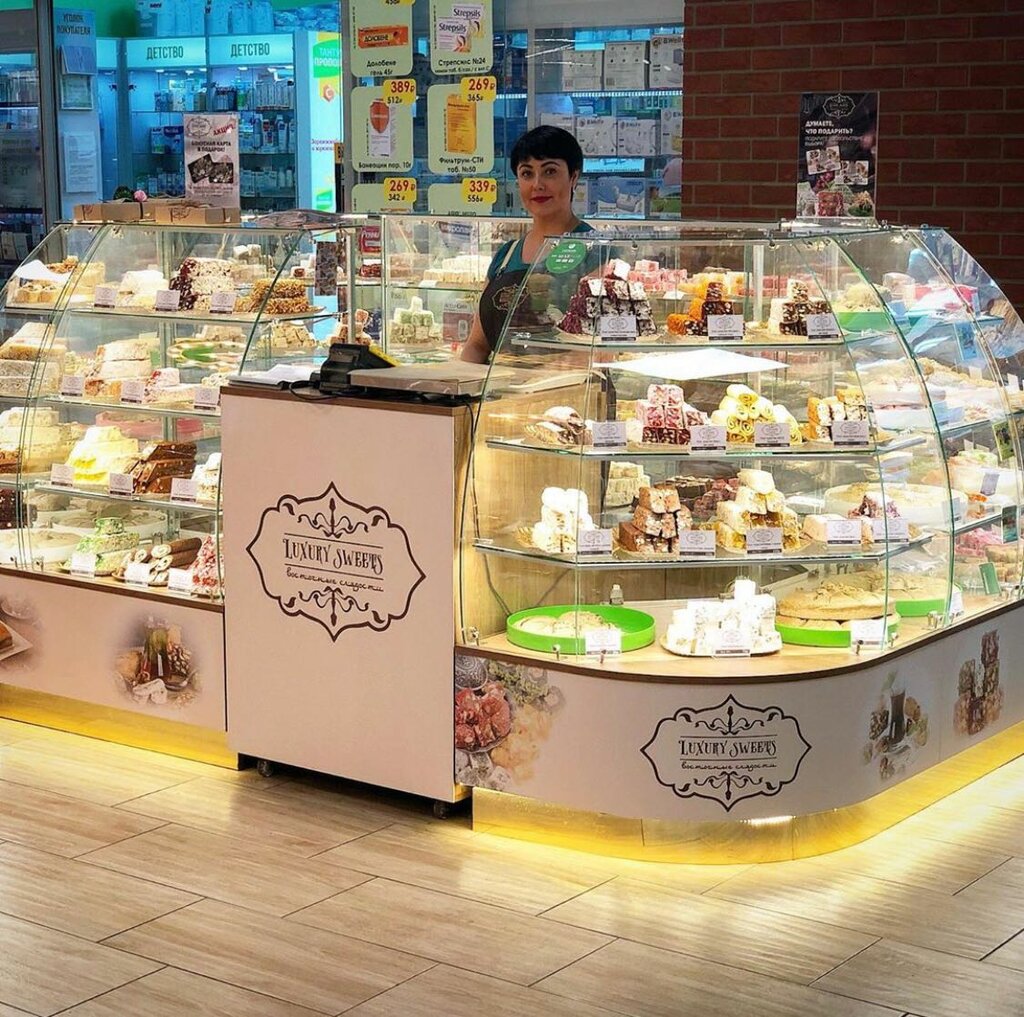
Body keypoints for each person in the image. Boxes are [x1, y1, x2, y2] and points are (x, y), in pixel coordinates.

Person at [461, 126, 592, 363]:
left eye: (550, 171)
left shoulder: (595, 251)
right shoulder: (506, 255)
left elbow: (599, 351)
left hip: (566, 383)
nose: (537, 184)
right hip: (500, 385)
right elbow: (477, 345)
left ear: (574, 177)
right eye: (527, 173)